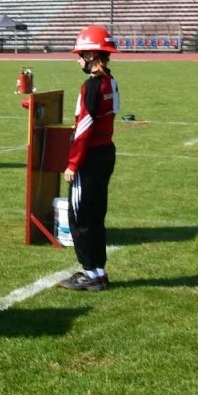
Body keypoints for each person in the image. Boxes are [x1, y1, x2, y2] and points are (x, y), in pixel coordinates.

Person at [58, 24, 120, 293]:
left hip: (90, 156)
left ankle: (90, 273)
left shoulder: (92, 86)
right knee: (95, 215)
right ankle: (99, 271)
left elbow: (84, 127)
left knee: (80, 217)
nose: (78, 59)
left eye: (81, 54)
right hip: (106, 151)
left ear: (93, 56)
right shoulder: (111, 81)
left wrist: (73, 163)